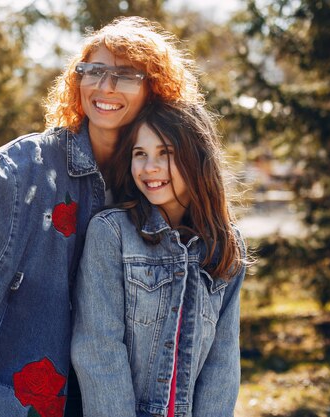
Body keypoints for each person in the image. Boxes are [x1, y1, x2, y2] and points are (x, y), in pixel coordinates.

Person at [0, 16, 205, 417]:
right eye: (93, 71)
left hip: (130, 402)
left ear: (155, 88)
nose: (104, 87)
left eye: (125, 75)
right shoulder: (34, 162)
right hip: (31, 403)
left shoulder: (161, 175)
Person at [71, 100, 247, 417]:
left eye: (165, 153)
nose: (149, 167)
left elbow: (222, 361)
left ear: (196, 157)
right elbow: (99, 349)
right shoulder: (111, 233)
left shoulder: (226, 246)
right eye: (140, 154)